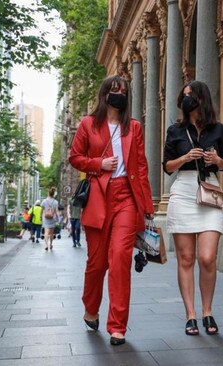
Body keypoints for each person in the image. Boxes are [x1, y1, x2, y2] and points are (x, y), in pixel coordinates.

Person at [69, 75, 154, 346]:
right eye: (115, 89)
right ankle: (90, 308)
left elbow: (141, 167)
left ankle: (118, 326)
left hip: (126, 198)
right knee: (97, 264)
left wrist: (147, 207)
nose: (119, 93)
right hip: (98, 197)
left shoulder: (135, 128)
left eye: (124, 90)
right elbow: (75, 157)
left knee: (119, 258)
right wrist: (99, 163)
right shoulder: (87, 125)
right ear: (104, 93)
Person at [163, 80, 223, 337]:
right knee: (186, 258)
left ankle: (208, 311)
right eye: (184, 96)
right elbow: (167, 166)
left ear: (201, 98)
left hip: (210, 191)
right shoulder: (175, 130)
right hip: (183, 191)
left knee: (207, 257)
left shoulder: (219, 130)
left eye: (190, 94)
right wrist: (184, 158)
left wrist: (217, 160)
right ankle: (191, 315)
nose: (186, 99)